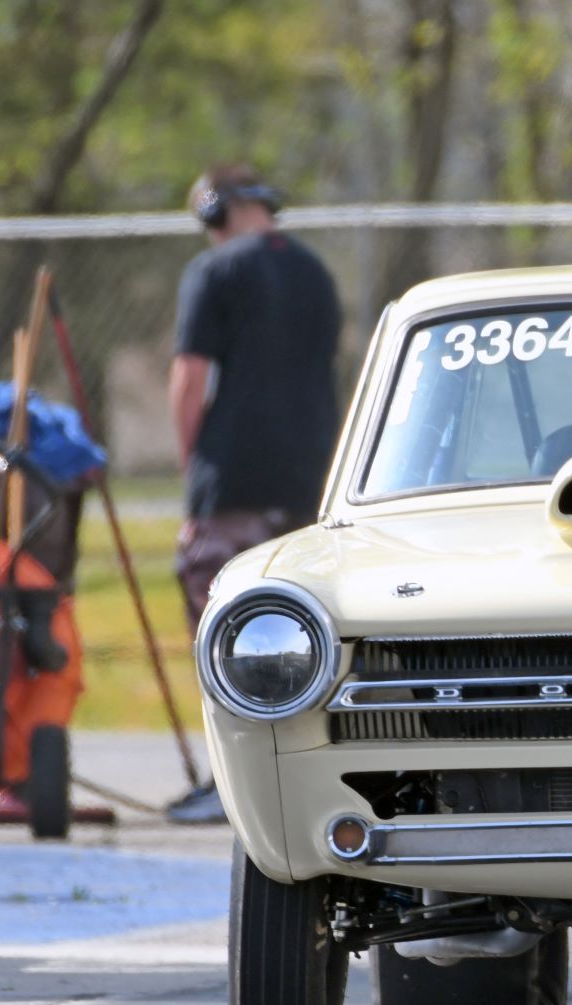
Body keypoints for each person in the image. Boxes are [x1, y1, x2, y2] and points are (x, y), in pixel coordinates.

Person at [165, 165, 342, 823]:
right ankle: (301, 778)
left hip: (233, 479)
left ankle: (230, 782)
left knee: (221, 625)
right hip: (311, 475)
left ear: (212, 213)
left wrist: (195, 472)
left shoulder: (212, 273)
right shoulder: (316, 272)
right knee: (304, 628)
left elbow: (189, 379)